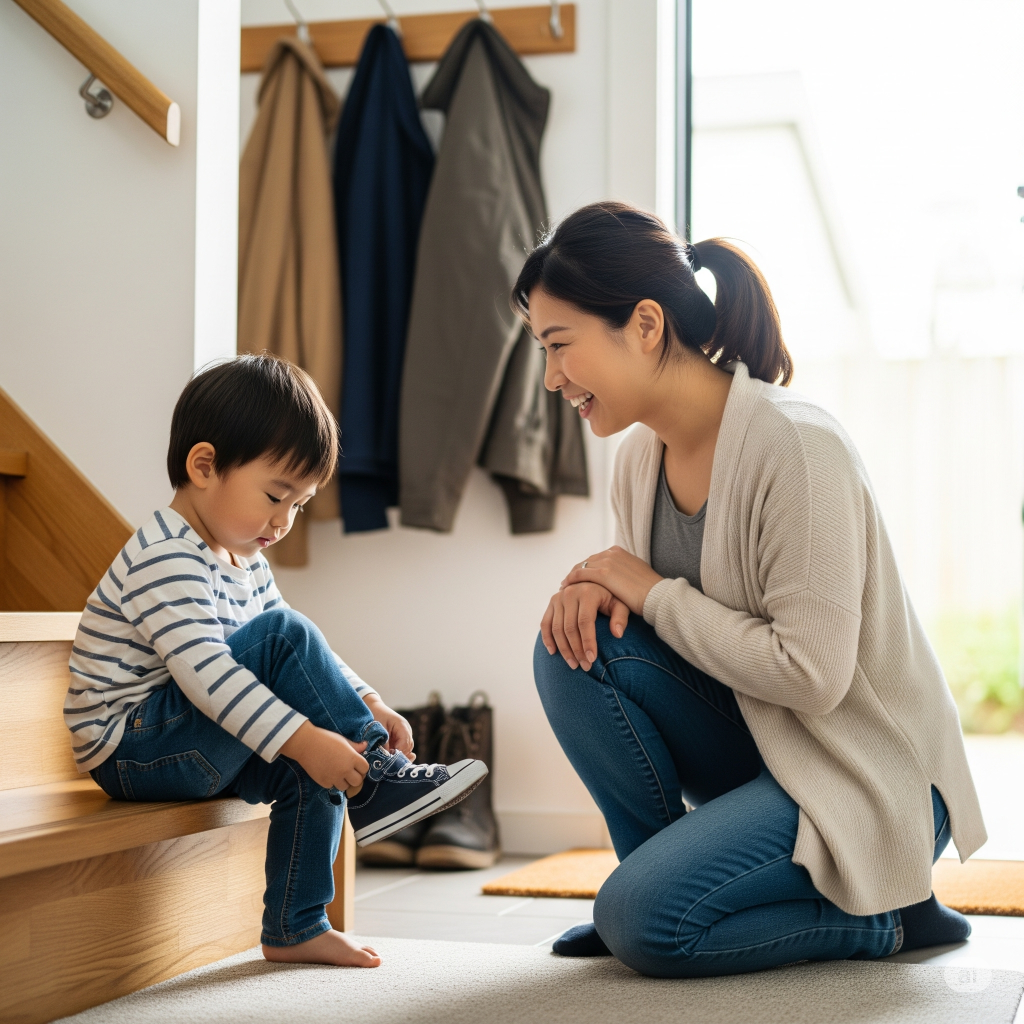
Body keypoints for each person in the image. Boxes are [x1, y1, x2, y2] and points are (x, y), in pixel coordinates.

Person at [518, 201, 987, 978]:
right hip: (767, 743)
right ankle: (649, 882)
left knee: (645, 926)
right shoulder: (638, 461)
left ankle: (893, 923)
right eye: (543, 350)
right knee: (570, 646)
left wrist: (648, 590)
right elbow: (652, 631)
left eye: (560, 345)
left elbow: (813, 674)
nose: (550, 377)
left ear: (643, 324)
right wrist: (592, 592)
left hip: (865, 770)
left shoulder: (796, 447)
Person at [64, 355, 487, 968]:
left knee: (305, 763)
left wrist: (366, 701)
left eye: (301, 504)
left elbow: (309, 657)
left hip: (186, 739)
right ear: (204, 466)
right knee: (283, 650)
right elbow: (208, 675)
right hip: (130, 748)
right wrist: (304, 736)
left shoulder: (243, 558)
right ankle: (377, 777)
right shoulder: (163, 555)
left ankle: (295, 924)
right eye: (275, 495)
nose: (285, 521)